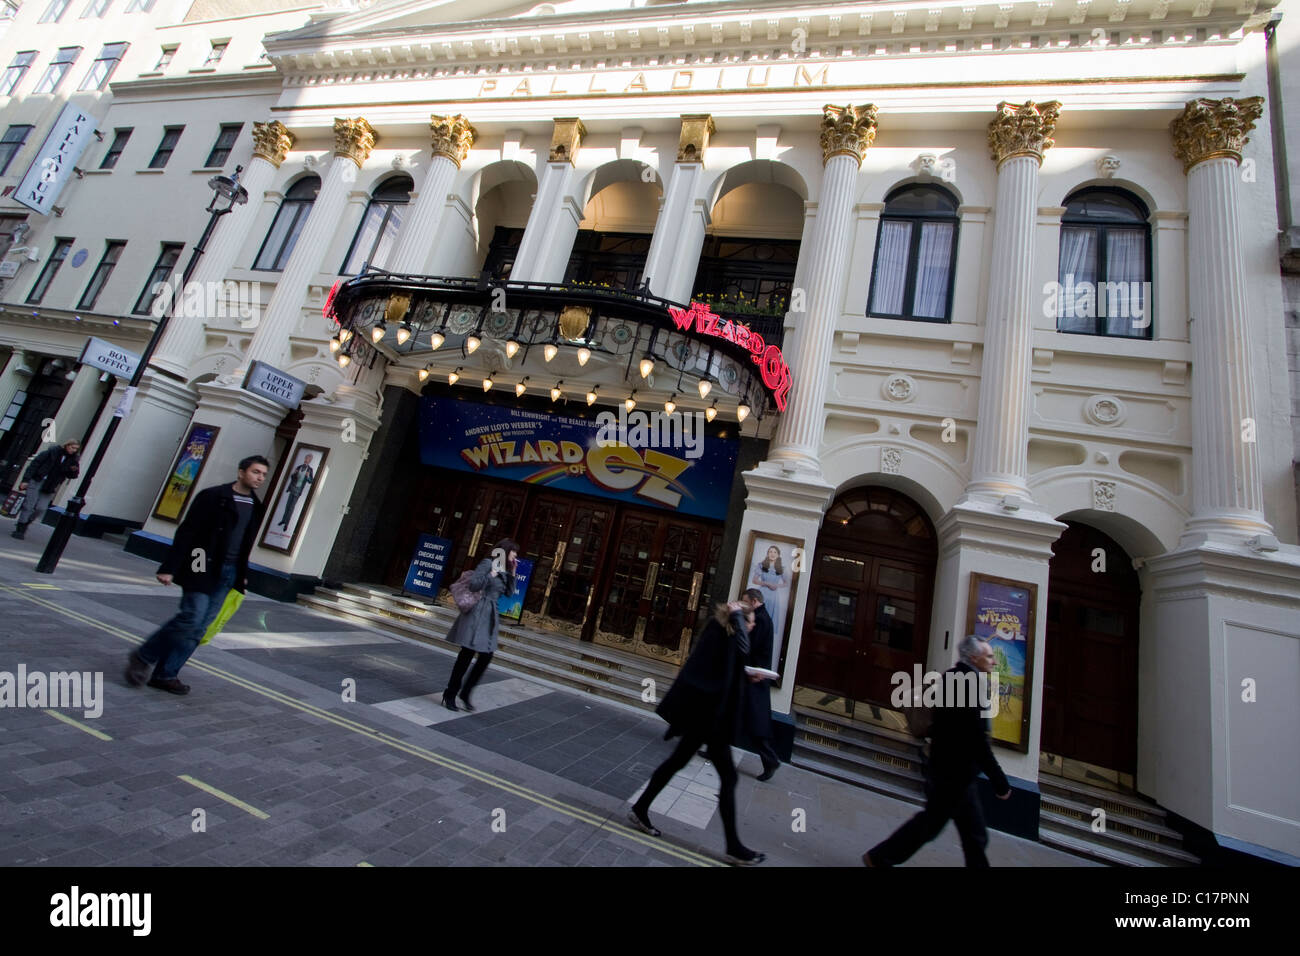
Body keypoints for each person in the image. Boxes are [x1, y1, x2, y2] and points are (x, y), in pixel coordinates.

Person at [627, 601, 766, 866]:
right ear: (738, 620)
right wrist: (738, 620)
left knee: (677, 762)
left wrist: (747, 675)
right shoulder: (722, 630)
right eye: (749, 622)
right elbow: (729, 657)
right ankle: (734, 847)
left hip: (708, 716)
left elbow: (725, 666)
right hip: (709, 718)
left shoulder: (724, 634)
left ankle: (640, 808)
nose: (752, 627)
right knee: (728, 777)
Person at [862, 635, 1012, 867]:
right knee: (947, 829)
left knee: (969, 833)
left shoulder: (952, 677)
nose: (993, 662)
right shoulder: (969, 684)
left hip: (948, 769)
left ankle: (880, 857)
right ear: (974, 657)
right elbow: (976, 740)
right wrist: (999, 781)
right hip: (955, 774)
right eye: (989, 656)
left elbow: (945, 724)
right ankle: (880, 857)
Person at [125, 455, 269, 695]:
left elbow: (245, 543)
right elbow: (188, 531)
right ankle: (143, 655)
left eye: (263, 474)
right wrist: (169, 567)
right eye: (256, 472)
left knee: (200, 627)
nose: (260, 478)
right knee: (191, 618)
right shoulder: (213, 496)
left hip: (230, 572)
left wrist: (241, 575)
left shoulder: (256, 506)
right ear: (241, 471)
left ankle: (166, 674)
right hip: (201, 562)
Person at [442, 538, 518, 712]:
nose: (516, 555)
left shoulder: (506, 570)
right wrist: (491, 573)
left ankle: (466, 692)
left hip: (491, 615)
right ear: (505, 551)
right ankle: (451, 693)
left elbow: (509, 593)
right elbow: (474, 584)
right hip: (477, 613)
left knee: (486, 656)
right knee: (467, 653)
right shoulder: (488, 563)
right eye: (514, 552)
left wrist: (512, 572)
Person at [740, 587, 781, 781]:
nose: (743, 605)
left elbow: (751, 647)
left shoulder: (760, 619)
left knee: (755, 722)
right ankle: (715, 746)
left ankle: (770, 759)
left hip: (753, 677)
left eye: (745, 601)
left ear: (754, 601)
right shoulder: (761, 616)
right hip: (751, 675)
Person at [10, 439, 81, 539]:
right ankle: (20, 529)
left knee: (41, 508)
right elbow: (34, 465)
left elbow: (72, 475)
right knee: (29, 505)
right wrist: (25, 480)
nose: (73, 450)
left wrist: (74, 470)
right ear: (67, 445)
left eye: (76, 449)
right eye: (72, 447)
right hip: (37, 480)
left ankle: (26, 522)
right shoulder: (52, 452)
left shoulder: (73, 460)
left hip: (51, 485)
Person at [750, 545, 789, 670]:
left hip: (773, 597)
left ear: (778, 554)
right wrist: (767, 583)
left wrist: (776, 586)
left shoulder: (781, 568)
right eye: (770, 551)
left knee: (768, 623)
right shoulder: (762, 565)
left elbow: (786, 583)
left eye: (775, 552)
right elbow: (755, 580)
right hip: (762, 594)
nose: (772, 554)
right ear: (767, 553)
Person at [277, 453, 315, 531]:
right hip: (292, 488)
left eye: (309, 459)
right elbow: (293, 477)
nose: (307, 459)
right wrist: (294, 474)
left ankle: (286, 524)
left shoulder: (310, 470)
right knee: (287, 506)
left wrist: (307, 476)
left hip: (298, 491)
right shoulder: (299, 467)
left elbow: (311, 481)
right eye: (306, 458)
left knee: (291, 507)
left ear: (310, 461)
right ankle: (283, 520)